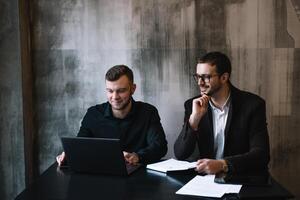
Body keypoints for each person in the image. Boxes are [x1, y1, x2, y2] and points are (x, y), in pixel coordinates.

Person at [174, 52, 270, 175]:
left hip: (240, 177)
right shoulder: (192, 105)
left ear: (224, 78)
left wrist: (223, 164)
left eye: (206, 77)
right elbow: (181, 154)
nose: (200, 82)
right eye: (197, 77)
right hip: (204, 180)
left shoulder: (252, 105)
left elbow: (261, 155)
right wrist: (193, 121)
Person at [57, 65, 168, 166]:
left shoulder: (148, 112)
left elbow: (160, 147)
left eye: (121, 91)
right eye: (110, 91)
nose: (114, 97)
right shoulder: (93, 114)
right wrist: (70, 153)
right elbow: (80, 145)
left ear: (133, 89)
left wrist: (137, 156)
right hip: (102, 177)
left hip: (139, 178)